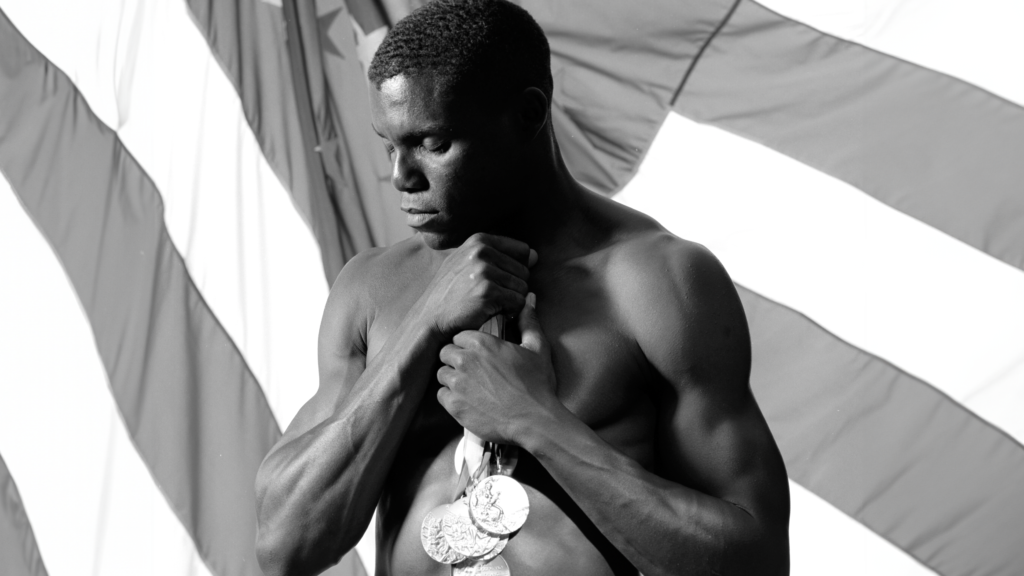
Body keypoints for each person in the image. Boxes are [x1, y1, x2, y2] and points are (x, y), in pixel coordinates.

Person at [254, 1, 790, 574]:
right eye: (390, 146)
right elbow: (286, 546)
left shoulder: (657, 284)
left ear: (528, 114)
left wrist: (535, 422)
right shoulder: (371, 288)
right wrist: (423, 325)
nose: (401, 179)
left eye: (433, 144)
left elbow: (754, 563)